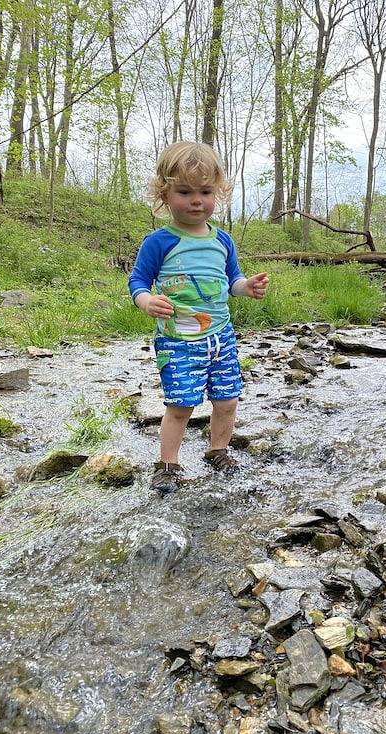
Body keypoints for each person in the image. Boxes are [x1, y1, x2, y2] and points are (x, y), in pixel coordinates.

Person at [128, 141, 269, 494]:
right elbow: (138, 281)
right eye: (185, 191)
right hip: (178, 340)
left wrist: (245, 287)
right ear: (165, 194)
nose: (196, 200)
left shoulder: (223, 241)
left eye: (205, 191)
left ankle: (217, 451)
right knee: (181, 405)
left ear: (217, 194)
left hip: (221, 337)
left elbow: (230, 281)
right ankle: (167, 464)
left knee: (227, 399)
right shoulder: (159, 242)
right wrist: (146, 302)